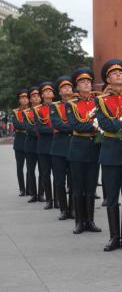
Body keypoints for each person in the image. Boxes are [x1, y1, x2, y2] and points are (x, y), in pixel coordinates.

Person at [95, 59, 122, 252]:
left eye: (121, 72)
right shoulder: (101, 101)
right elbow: (105, 124)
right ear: (108, 79)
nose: (119, 75)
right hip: (111, 152)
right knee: (112, 198)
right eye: (114, 73)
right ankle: (114, 237)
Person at [66, 67, 102, 235]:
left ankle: (90, 221)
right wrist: (95, 127)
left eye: (88, 81)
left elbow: (102, 120)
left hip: (94, 148)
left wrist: (95, 126)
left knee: (91, 186)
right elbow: (75, 125)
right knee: (78, 187)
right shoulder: (71, 105)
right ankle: (79, 221)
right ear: (77, 87)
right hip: (78, 148)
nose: (86, 84)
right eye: (82, 82)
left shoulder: (98, 102)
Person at [50, 76, 74, 220]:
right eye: (64, 87)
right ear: (60, 91)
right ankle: (63, 209)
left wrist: (70, 127)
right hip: (58, 149)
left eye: (69, 87)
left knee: (73, 181)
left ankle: (72, 209)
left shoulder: (76, 104)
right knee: (59, 181)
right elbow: (56, 123)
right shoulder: (54, 106)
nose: (67, 89)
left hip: (72, 148)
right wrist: (74, 128)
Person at [34, 82, 55, 210]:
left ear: (53, 94)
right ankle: (49, 199)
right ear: (42, 95)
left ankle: (58, 200)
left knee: (58, 175)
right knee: (45, 174)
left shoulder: (58, 107)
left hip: (56, 145)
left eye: (50, 91)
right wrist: (55, 129)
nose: (48, 93)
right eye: (45, 91)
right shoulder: (37, 110)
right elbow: (40, 128)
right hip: (43, 145)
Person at [23, 86, 41, 202]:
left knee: (43, 171)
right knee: (31, 170)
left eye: (38, 96)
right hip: (30, 144)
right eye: (33, 96)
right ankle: (34, 194)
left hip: (42, 144)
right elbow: (28, 128)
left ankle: (42, 193)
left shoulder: (46, 109)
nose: (36, 98)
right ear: (30, 99)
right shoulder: (27, 112)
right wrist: (42, 132)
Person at [12, 89, 29, 196]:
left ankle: (29, 187)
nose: (24, 99)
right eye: (22, 98)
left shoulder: (33, 110)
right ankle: (22, 189)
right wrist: (29, 126)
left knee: (30, 167)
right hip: (19, 142)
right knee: (20, 167)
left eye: (26, 97)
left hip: (30, 141)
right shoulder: (16, 112)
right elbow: (17, 125)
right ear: (19, 100)